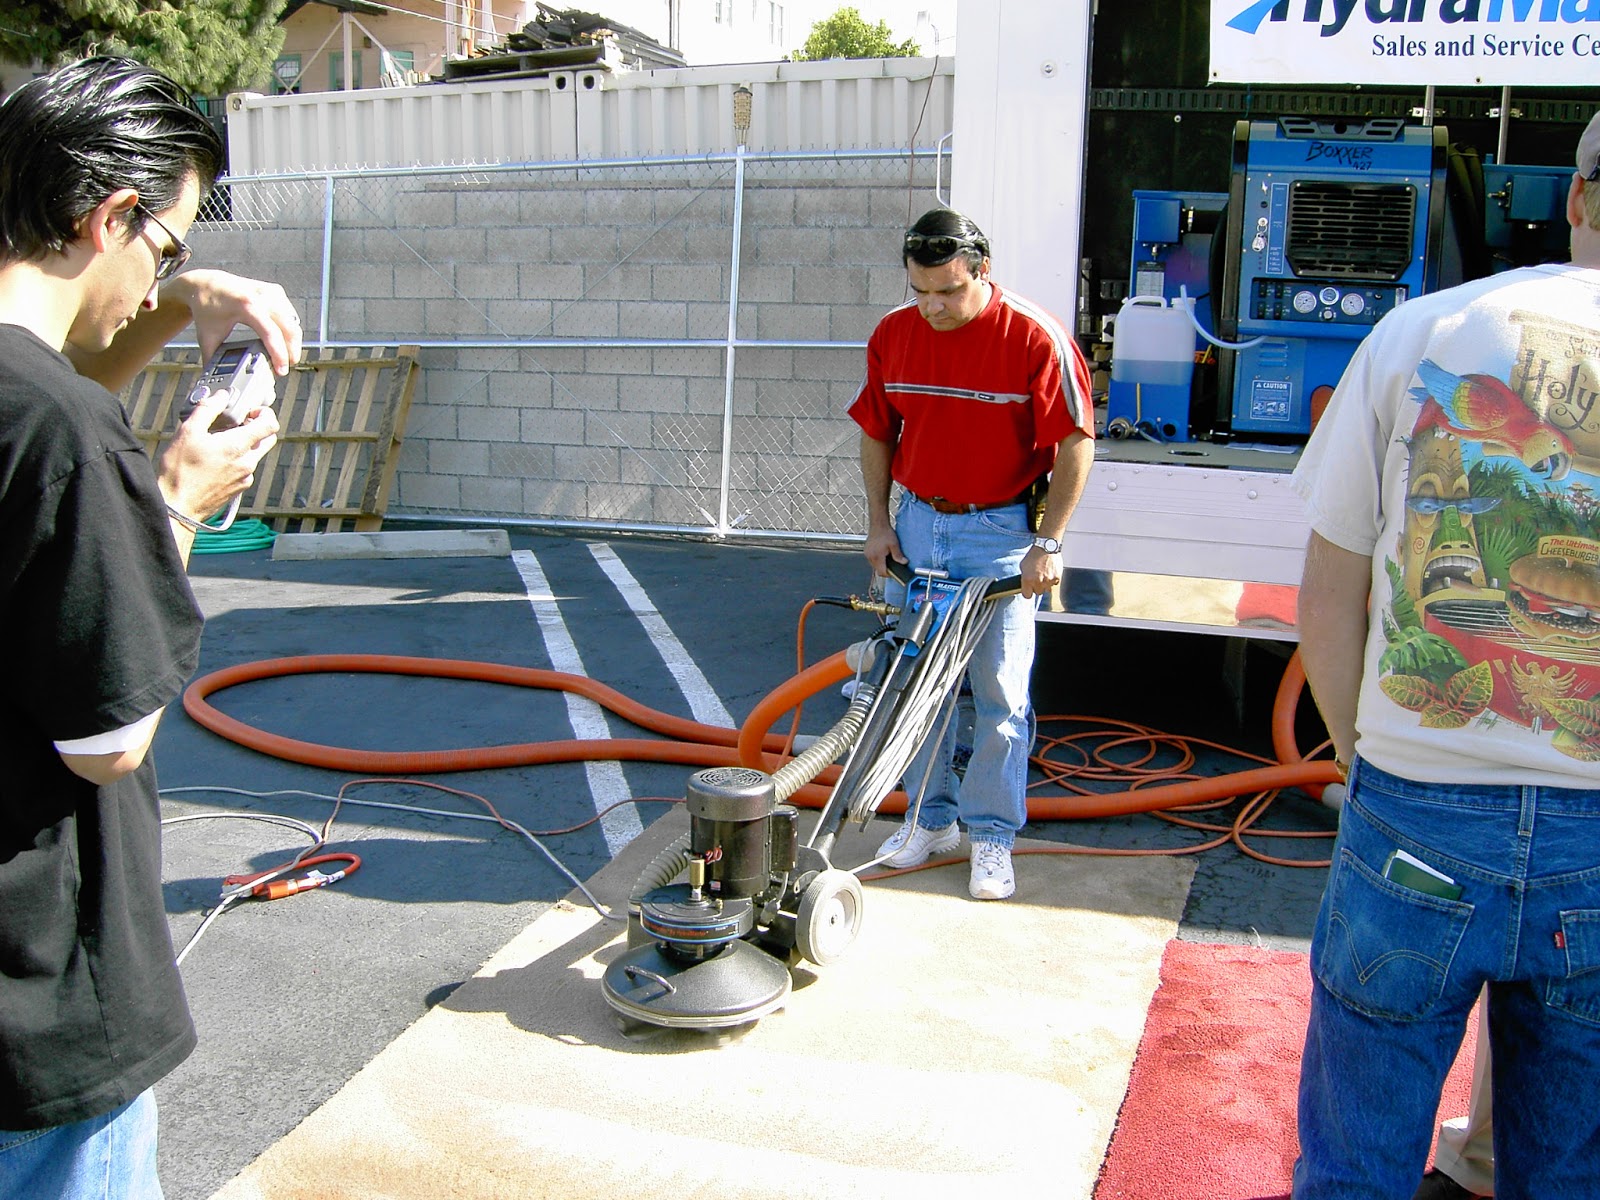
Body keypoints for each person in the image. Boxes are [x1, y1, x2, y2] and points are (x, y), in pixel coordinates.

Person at [0, 56, 301, 1198]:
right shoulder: (68, 433)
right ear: (109, 216)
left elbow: (56, 366)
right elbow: (108, 736)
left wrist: (178, 300)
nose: (157, 281)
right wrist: (177, 499)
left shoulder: (38, 405)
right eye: (163, 248)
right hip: (42, 1001)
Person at [1291, 109, 1600, 1200]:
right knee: (1568, 1171)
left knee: (1356, 1165)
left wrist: (1361, 760)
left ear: (1575, 196)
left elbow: (1328, 594)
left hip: (1416, 805)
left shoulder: (1423, 328)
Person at [849, 207, 1095, 900]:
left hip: (999, 536)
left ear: (982, 272)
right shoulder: (894, 335)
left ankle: (991, 836)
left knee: (1000, 695)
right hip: (918, 527)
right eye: (920, 291)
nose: (932, 307)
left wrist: (1048, 542)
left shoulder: (1033, 336)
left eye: (948, 292)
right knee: (917, 688)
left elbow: (1077, 440)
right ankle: (930, 822)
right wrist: (879, 523)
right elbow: (877, 430)